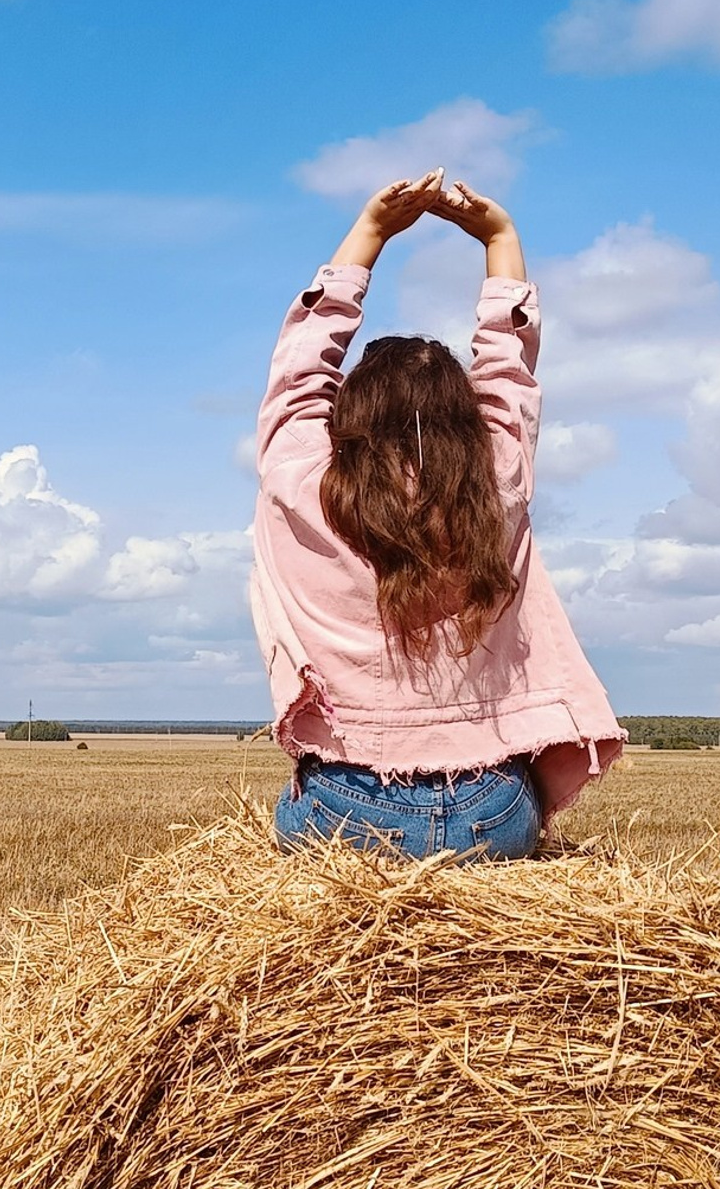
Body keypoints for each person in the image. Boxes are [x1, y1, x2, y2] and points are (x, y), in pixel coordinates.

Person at [251, 168, 626, 859]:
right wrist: (499, 239)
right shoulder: (496, 482)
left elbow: (299, 371)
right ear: (465, 424)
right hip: (492, 810)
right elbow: (509, 374)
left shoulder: (299, 478)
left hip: (342, 806)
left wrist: (370, 233)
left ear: (346, 416)